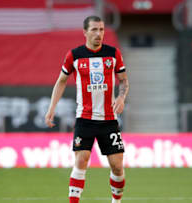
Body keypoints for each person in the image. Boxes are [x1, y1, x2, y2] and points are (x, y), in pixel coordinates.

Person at [45, 15, 129, 203]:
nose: (99, 34)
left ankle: (116, 201)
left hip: (109, 120)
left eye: (101, 30)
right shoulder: (74, 55)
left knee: (117, 167)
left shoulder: (113, 54)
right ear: (85, 32)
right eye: (94, 30)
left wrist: (121, 97)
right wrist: (51, 108)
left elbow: (123, 80)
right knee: (81, 159)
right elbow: (61, 81)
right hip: (85, 118)